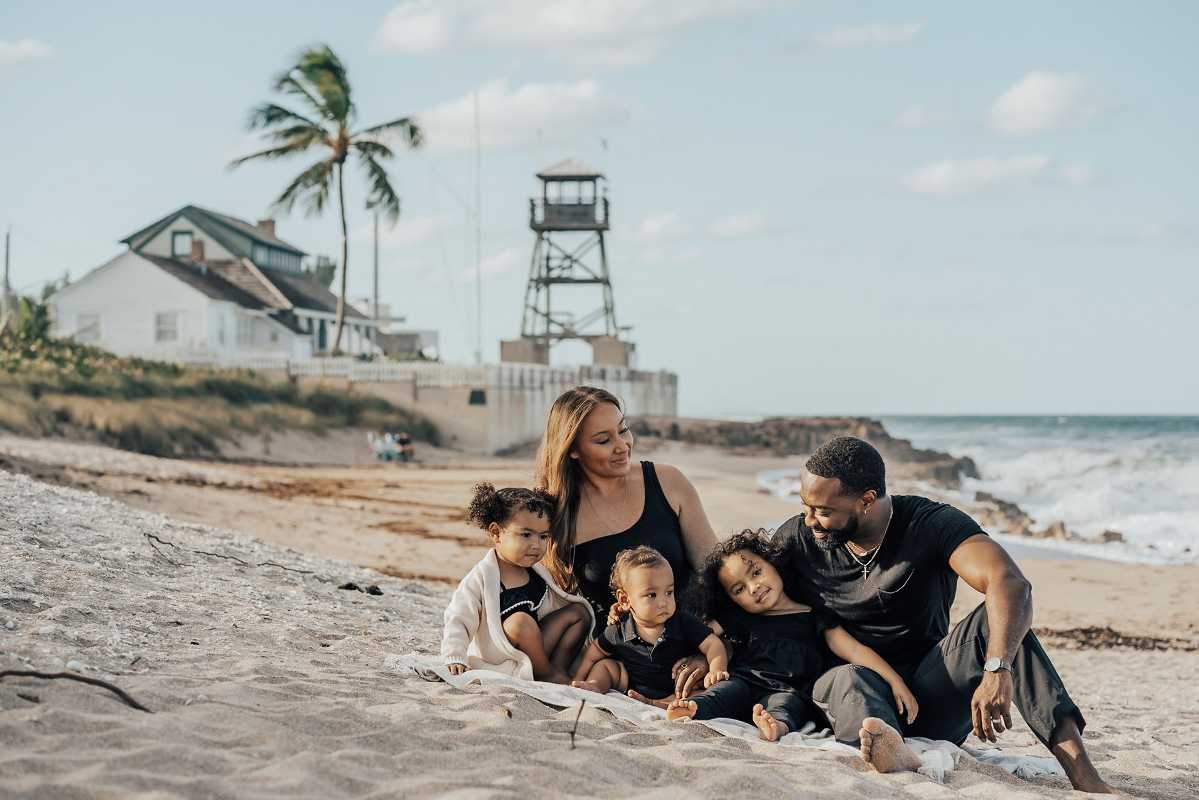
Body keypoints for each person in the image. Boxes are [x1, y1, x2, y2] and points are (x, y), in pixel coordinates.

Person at [773, 436, 1113, 793]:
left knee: (1000, 623)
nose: (809, 519)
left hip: (925, 699)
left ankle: (1086, 779)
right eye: (806, 507)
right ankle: (890, 749)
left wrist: (998, 668)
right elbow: (739, 585)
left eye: (823, 511)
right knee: (849, 677)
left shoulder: (930, 524)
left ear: (867, 500)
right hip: (847, 696)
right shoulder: (798, 536)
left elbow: (1011, 583)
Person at [537, 386, 719, 701]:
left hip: (695, 641)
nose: (622, 446)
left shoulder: (668, 482)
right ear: (573, 449)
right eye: (603, 440)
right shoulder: (557, 514)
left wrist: (711, 652)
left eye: (623, 430)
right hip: (623, 664)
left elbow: (716, 574)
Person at [666, 529, 918, 742]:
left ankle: (774, 727)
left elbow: (854, 651)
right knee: (726, 690)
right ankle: (695, 709)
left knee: (785, 706)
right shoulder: (738, 618)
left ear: (772, 563)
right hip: (745, 682)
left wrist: (895, 682)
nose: (754, 588)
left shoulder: (814, 616)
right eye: (739, 589)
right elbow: (697, 632)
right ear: (730, 599)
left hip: (792, 691)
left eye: (756, 572)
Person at [441, 483, 592, 683]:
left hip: (537, 646)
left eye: (543, 536)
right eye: (526, 535)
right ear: (496, 532)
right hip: (505, 654)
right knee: (520, 622)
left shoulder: (538, 573)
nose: (536, 545)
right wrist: (455, 655)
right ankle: (546, 674)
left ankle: (557, 668)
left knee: (578, 612)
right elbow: (459, 618)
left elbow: (551, 608)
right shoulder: (482, 576)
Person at [572, 546, 728, 702]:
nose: (663, 602)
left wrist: (716, 670)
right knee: (607, 666)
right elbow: (594, 652)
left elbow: (713, 645)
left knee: (706, 696)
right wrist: (579, 677)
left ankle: (664, 704)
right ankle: (594, 686)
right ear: (625, 600)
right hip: (632, 685)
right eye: (652, 595)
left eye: (669, 592)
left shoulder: (682, 621)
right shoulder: (620, 628)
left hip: (677, 691)